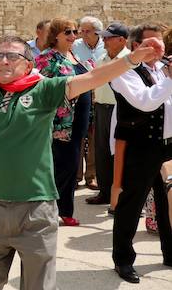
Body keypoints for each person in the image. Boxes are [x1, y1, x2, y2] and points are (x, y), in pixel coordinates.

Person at [0, 0, 160, 290]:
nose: (5, 61)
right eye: (0, 55)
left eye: (13, 56)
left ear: (29, 63)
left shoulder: (44, 90)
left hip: (35, 211)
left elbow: (90, 78)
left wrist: (130, 60)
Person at [109, 23, 171, 284]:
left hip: (167, 143)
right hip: (140, 145)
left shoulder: (162, 68)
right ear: (136, 47)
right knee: (131, 205)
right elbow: (145, 101)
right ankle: (123, 259)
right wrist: (170, 79)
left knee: (167, 200)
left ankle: (170, 252)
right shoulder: (123, 70)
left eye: (161, 43)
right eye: (152, 43)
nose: (159, 48)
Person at [35, 18, 91, 227]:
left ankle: (65, 210)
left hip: (78, 121)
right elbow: (39, 88)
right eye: (68, 32)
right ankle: (48, 210)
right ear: (55, 34)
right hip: (59, 123)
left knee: (71, 164)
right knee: (63, 165)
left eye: (74, 31)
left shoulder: (75, 56)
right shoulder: (46, 58)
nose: (73, 36)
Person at [86, 22, 129, 206]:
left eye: (108, 38)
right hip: (101, 108)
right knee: (102, 151)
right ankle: (105, 192)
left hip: (120, 109)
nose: (104, 40)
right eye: (103, 37)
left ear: (121, 40)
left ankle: (121, 194)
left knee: (119, 153)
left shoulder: (129, 59)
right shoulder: (103, 58)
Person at [73, 16, 106, 190]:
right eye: (81, 30)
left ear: (97, 32)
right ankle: (76, 175)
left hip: (99, 93)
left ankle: (91, 175)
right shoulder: (75, 46)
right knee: (78, 133)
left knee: (94, 136)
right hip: (80, 93)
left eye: (87, 31)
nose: (82, 34)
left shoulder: (105, 46)